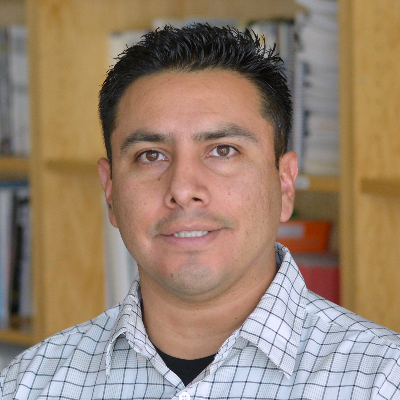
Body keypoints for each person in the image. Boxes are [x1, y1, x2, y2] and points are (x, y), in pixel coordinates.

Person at [1, 24, 400, 400]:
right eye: (150, 155)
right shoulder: (29, 384)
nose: (182, 190)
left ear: (284, 183)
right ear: (110, 190)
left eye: (223, 150)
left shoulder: (382, 381)